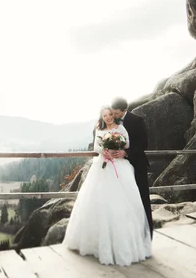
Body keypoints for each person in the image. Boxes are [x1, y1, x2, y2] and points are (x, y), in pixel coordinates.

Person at [63, 106, 151, 266]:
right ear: (102, 117)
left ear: (113, 115)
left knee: (122, 203)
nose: (109, 117)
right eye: (105, 115)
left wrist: (119, 149)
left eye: (110, 114)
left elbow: (127, 143)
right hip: (103, 166)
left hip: (120, 166)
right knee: (100, 202)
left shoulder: (121, 128)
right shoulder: (99, 129)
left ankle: (124, 243)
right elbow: (97, 146)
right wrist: (104, 150)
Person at [110, 97, 153, 238]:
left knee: (142, 197)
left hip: (137, 164)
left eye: (116, 113)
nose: (114, 115)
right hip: (119, 167)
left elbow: (144, 144)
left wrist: (126, 152)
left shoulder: (137, 120)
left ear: (124, 110)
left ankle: (146, 233)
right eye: (113, 113)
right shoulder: (113, 121)